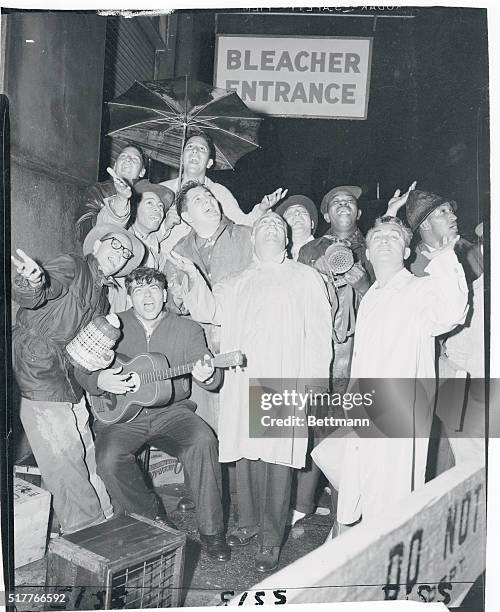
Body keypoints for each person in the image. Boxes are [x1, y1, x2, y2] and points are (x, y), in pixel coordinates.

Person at [172, 212, 332, 572]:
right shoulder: (235, 281)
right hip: (242, 377)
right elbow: (208, 309)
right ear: (253, 239)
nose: (272, 229)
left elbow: (320, 334)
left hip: (283, 376)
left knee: (276, 461)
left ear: (288, 240)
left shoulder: (306, 277)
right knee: (244, 456)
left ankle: (271, 539)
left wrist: (314, 385)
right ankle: (248, 524)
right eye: (264, 227)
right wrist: (193, 274)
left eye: (278, 227)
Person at [312, 214, 468, 528]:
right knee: (339, 466)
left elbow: (451, 312)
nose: (385, 240)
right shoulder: (371, 297)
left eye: (394, 237)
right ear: (366, 253)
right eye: (377, 236)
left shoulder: (420, 290)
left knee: (390, 505)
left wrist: (444, 257)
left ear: (408, 252)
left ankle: (384, 571)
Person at [76, 267, 230, 562]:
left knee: (203, 441)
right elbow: (80, 367)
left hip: (172, 412)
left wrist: (208, 374)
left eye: (154, 289)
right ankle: (153, 517)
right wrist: (99, 381)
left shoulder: (188, 329)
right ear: (129, 296)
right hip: (122, 416)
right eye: (138, 290)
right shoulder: (112, 324)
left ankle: (213, 533)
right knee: (108, 459)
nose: (147, 296)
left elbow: (212, 377)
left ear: (165, 294)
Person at [11, 225, 145, 534]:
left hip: (66, 378)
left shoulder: (101, 301)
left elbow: (83, 354)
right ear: (98, 245)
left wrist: (98, 380)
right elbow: (41, 290)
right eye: (115, 245)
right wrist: (32, 280)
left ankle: (105, 517)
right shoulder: (74, 264)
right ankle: (86, 532)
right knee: (64, 456)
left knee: (85, 449)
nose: (119, 254)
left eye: (126, 254)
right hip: (36, 367)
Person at [403, 189, 484, 469]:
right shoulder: (412, 266)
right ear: (424, 224)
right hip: (442, 370)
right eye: (443, 212)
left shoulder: (471, 252)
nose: (453, 216)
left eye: (451, 210)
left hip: (479, 364)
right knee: (457, 452)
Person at [159, 128, 286, 252]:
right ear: (181, 158)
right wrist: (165, 226)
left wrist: (261, 209)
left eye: (202, 148)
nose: (195, 151)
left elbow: (241, 224)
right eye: (190, 147)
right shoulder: (162, 190)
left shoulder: (218, 193)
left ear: (209, 163)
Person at [299, 185, 372, 384]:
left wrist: (364, 287)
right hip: (318, 342)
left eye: (349, 201)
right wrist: (315, 274)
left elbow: (390, 305)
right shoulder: (308, 251)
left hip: (361, 345)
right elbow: (296, 300)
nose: (343, 204)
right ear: (326, 217)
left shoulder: (374, 248)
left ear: (359, 213)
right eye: (335, 202)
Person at [94, 179, 177, 312]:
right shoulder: (121, 238)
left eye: (161, 206)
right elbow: (111, 222)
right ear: (134, 208)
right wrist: (122, 199)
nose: (158, 209)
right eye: (149, 203)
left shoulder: (157, 254)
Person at [76, 145, 147, 240]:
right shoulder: (99, 191)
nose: (128, 160)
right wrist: (120, 200)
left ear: (142, 172)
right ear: (115, 165)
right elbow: (82, 229)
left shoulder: (148, 197)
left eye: (135, 159)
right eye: (123, 156)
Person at [275, 194, 318, 260]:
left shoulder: (329, 250)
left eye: (303, 212)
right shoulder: (275, 259)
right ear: (283, 227)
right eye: (290, 213)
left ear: (312, 224)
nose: (297, 213)